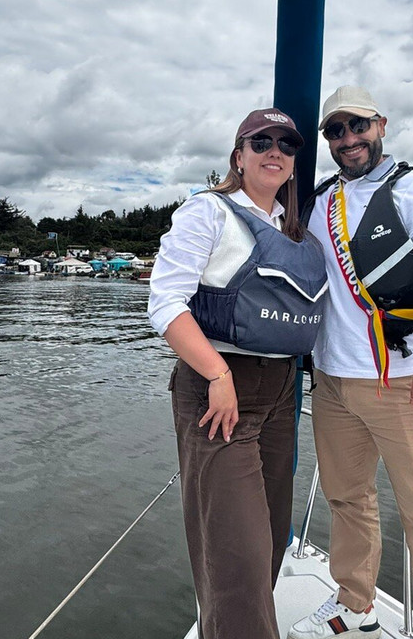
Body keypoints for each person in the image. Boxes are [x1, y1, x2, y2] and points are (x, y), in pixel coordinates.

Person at [290, 87, 413, 639]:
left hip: (403, 381)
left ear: (382, 126)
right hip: (333, 381)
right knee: (347, 499)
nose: (348, 139)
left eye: (358, 126)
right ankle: (354, 607)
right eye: (336, 131)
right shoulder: (321, 201)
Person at [148, 108, 327, 639]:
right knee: (237, 555)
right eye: (261, 141)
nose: (275, 151)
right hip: (218, 389)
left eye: (287, 144)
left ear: (294, 162)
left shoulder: (295, 232)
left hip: (280, 390)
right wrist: (216, 374)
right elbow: (164, 303)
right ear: (239, 155)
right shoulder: (208, 212)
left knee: (270, 537)